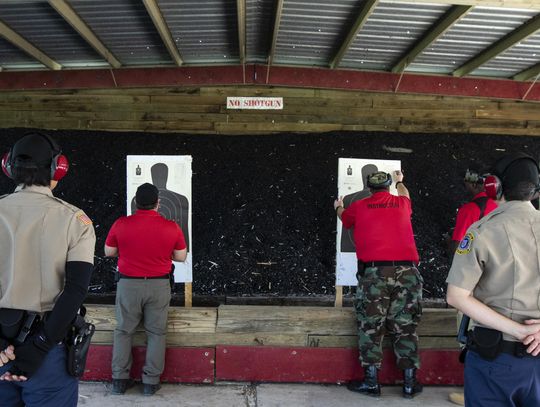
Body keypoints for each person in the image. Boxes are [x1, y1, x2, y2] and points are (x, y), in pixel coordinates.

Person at [0, 132, 96, 406]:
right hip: (48, 349)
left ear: (8, 167)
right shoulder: (75, 221)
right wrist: (40, 346)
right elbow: (75, 290)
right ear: (58, 168)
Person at [447, 153, 540, 406]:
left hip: (497, 359)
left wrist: (520, 330)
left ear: (494, 187)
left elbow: (456, 295)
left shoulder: (483, 230)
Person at [334, 170, 423, 398]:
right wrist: (400, 181)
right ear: (388, 186)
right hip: (408, 272)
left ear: (369, 187)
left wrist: (338, 206)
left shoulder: (361, 206)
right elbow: (405, 193)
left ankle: (372, 382)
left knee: (371, 325)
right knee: (405, 325)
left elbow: (345, 218)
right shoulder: (402, 202)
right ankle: (410, 384)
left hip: (374, 273)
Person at [105, 183, 187, 396]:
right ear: (158, 203)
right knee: (157, 333)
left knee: (124, 331)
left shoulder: (121, 223)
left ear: (136, 203)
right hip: (159, 285)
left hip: (128, 285)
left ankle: (119, 380)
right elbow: (181, 256)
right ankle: (150, 382)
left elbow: (109, 251)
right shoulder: (171, 227)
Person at [447, 168, 497, 406]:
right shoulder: (504, 210)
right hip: (501, 284)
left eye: (468, 184)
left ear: (478, 186)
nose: (465, 187)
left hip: (474, 284)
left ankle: (471, 392)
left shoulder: (469, 210)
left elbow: (459, 245)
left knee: (470, 336)